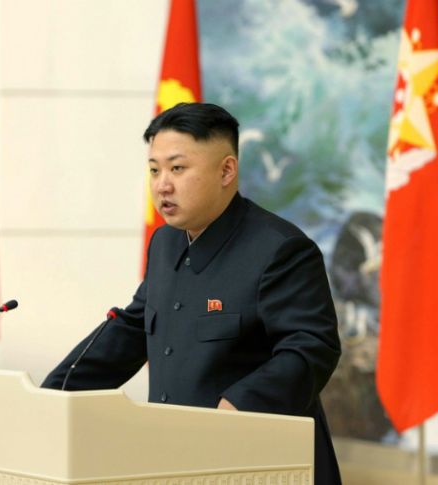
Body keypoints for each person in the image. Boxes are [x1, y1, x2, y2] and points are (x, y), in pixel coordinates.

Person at [42, 102, 342, 484]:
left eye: (178, 168)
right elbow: (133, 327)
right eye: (155, 170)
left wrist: (239, 406)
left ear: (226, 170)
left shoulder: (280, 249)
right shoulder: (165, 243)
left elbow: (311, 348)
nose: (162, 185)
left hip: (260, 464)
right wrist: (53, 395)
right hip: (178, 461)